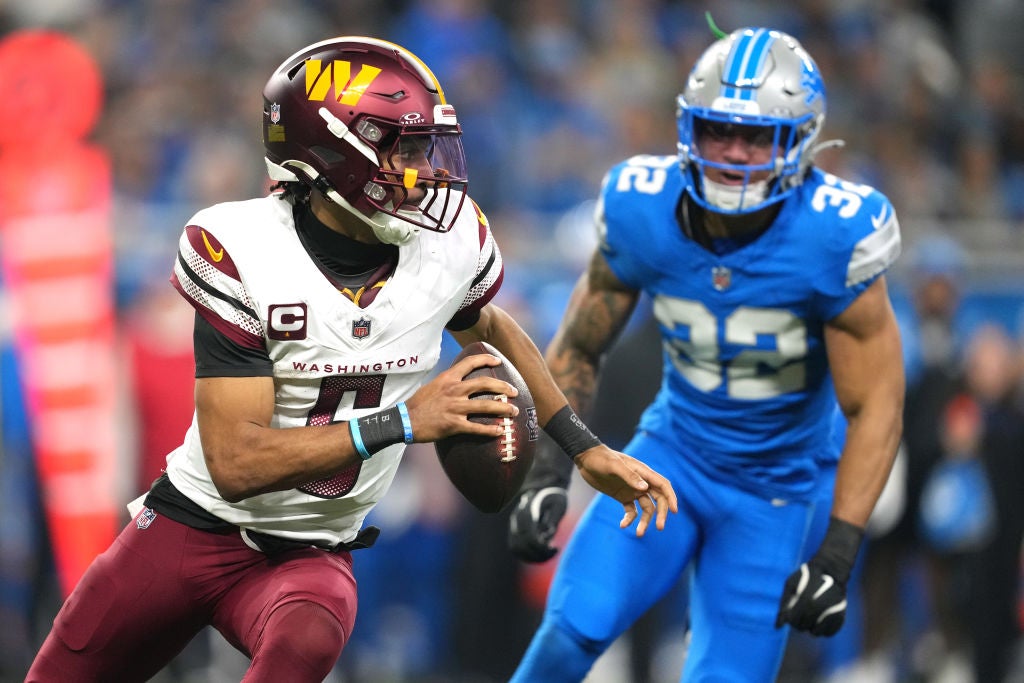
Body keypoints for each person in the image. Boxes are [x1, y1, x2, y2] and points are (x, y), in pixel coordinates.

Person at [25, 36, 677, 682]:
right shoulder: (242, 247)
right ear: (327, 153)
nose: (425, 171)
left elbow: (493, 325)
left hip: (310, 553)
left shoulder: (445, 245)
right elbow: (233, 465)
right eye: (402, 147)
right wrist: (400, 420)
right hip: (190, 529)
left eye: (426, 146)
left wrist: (582, 445)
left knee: (310, 631)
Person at [507, 25, 904, 682]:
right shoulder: (643, 208)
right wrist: (549, 470)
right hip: (671, 457)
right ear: (688, 127)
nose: (734, 152)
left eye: (757, 136)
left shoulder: (835, 234)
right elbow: (581, 342)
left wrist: (838, 551)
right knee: (571, 626)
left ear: (800, 141)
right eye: (718, 130)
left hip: (773, 491)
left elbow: (876, 402)